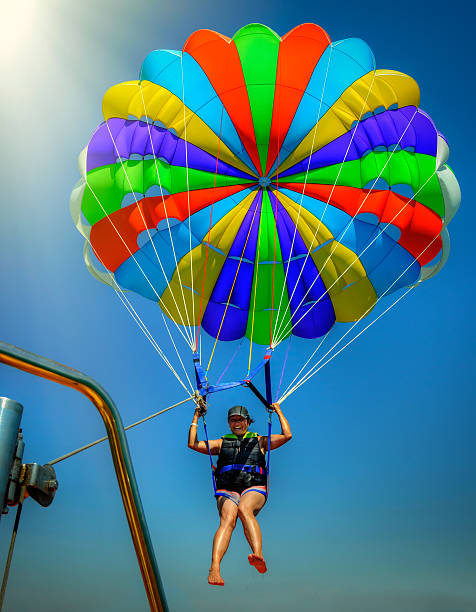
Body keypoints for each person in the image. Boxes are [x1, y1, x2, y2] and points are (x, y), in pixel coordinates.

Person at [188, 401, 292, 586]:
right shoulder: (221, 443)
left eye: (240, 419)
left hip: (254, 487)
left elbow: (287, 435)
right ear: (229, 423)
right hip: (228, 489)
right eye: (233, 420)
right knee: (228, 520)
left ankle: (258, 554)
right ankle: (215, 568)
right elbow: (193, 444)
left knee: (245, 509)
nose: (237, 423)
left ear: (248, 421)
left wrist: (277, 410)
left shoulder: (260, 441)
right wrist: (196, 416)